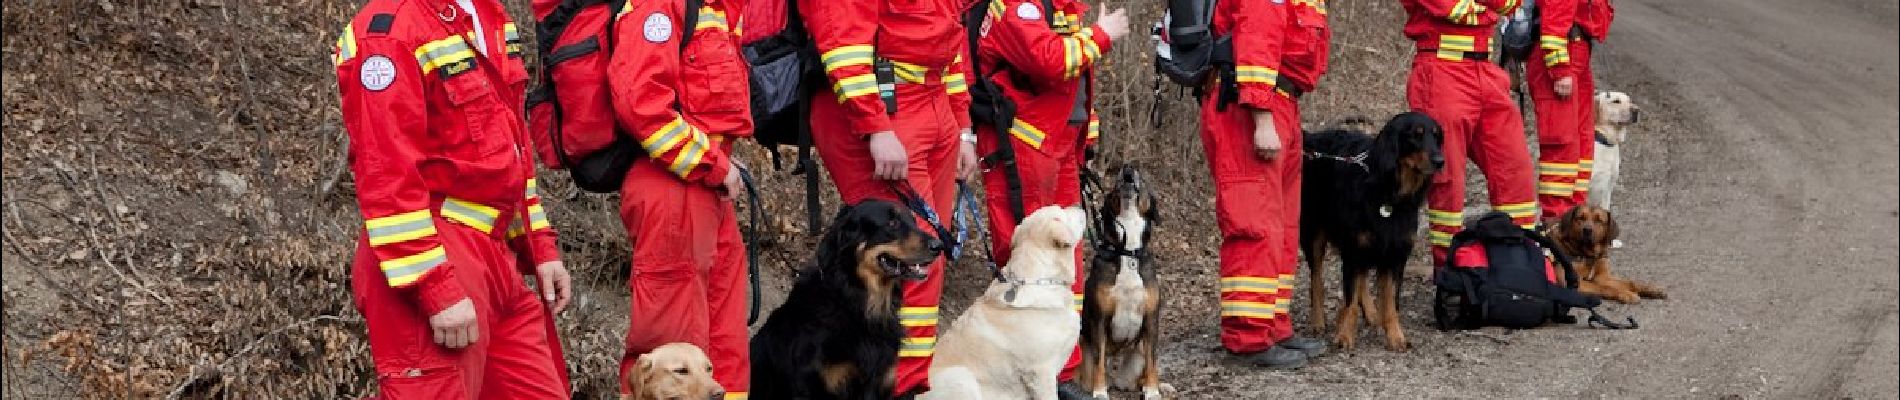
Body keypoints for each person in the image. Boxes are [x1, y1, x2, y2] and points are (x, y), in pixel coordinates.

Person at [332, 0, 573, 397]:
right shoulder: (389, 32)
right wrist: (434, 287)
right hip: (436, 249)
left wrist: (540, 245)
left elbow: (511, 152)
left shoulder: (487, 13)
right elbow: (386, 174)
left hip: (495, 255)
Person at [799, 0, 978, 396]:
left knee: (927, 257)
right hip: (884, 106)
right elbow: (842, 41)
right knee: (902, 256)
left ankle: (909, 382)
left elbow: (947, 37)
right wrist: (875, 126)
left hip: (932, 105)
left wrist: (963, 128)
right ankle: (891, 385)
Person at [970, 0, 1129, 393]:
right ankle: (1029, 370)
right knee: (1027, 256)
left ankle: (1062, 368)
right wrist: (1103, 32)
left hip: (1057, 143)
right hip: (1022, 145)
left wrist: (1086, 134)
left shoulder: (1061, 5)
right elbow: (1051, 60)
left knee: (1066, 255)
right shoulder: (1016, 6)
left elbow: (1078, 74)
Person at [605, 0, 753, 398]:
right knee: (674, 348)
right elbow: (641, 106)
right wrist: (713, 164)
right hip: (673, 189)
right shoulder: (657, 8)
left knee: (722, 345)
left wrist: (718, 163)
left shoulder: (714, 8)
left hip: (707, 186)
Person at [1199, 0, 1333, 369]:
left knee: (1283, 228)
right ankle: (1248, 338)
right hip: (1252, 108)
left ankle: (1273, 325)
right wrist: (1261, 118)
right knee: (1254, 224)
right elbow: (1256, 42)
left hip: (1281, 103)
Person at [1400, 0, 1540, 264]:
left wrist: (1486, 9)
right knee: (1447, 179)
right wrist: (1487, 10)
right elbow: (1453, 9)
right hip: (1441, 71)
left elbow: (1508, 5)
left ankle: (1518, 264)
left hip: (1486, 72)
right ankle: (1449, 272)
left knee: (1515, 169)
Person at [1529, 0, 1615, 221]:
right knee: (1562, 148)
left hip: (1578, 51)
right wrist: (1559, 68)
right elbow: (1555, 15)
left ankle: (1573, 222)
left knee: (1581, 146)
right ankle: (1556, 225)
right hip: (1563, 52)